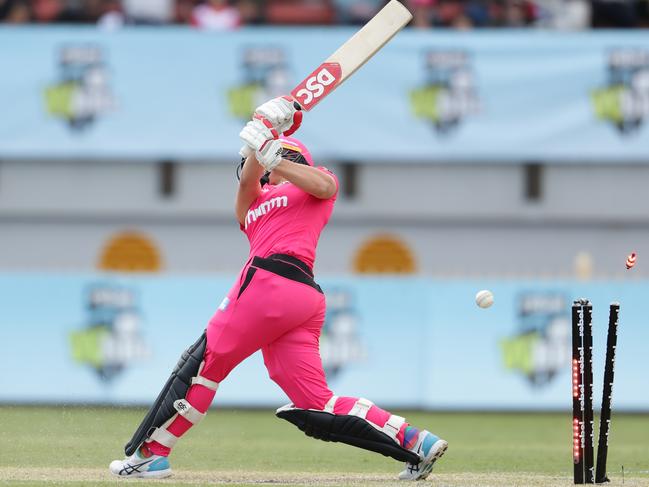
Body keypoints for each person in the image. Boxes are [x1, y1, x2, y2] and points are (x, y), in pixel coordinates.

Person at [109, 96, 448, 481]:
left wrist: (275, 151)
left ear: (289, 160)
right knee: (317, 402)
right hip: (301, 300)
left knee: (203, 368)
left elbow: (322, 183)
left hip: (269, 284)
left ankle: (153, 453)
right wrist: (265, 134)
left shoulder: (313, 185)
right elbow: (248, 184)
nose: (260, 174)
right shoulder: (254, 203)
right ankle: (415, 441)